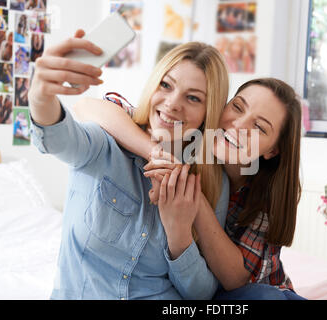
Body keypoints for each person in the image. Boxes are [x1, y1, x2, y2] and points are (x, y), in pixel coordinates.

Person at [28, 29, 230, 300]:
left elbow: (202, 294)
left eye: (193, 98)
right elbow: (58, 139)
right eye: (166, 85)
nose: (172, 104)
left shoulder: (211, 179)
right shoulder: (106, 143)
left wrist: (179, 234)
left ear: (209, 112)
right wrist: (40, 97)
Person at [73, 78, 306, 300]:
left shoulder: (267, 192)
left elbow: (235, 280)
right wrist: (156, 153)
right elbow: (89, 106)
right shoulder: (191, 128)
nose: (238, 125)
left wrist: (196, 198)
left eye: (259, 127)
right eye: (237, 107)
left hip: (261, 292)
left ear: (272, 151)